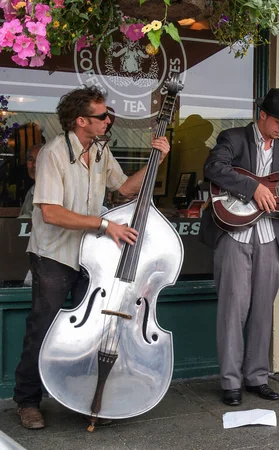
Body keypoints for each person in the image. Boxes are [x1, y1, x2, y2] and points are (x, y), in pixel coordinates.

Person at [13, 86, 170, 429]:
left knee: (88, 333)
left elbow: (125, 188)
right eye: (102, 116)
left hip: (90, 258)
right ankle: (26, 400)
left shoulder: (99, 149)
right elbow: (52, 213)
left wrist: (156, 160)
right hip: (54, 255)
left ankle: (80, 398)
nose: (108, 120)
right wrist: (104, 225)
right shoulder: (53, 153)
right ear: (81, 121)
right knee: (42, 328)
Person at [200, 88, 279, 406]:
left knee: (262, 311)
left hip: (271, 238)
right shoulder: (233, 137)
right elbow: (214, 169)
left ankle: (257, 377)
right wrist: (253, 187)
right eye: (278, 120)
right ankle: (230, 381)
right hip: (234, 236)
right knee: (232, 310)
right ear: (262, 115)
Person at [18, 143, 43, 219]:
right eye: (31, 160)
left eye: (40, 159)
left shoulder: (55, 190)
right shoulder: (31, 191)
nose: (34, 164)